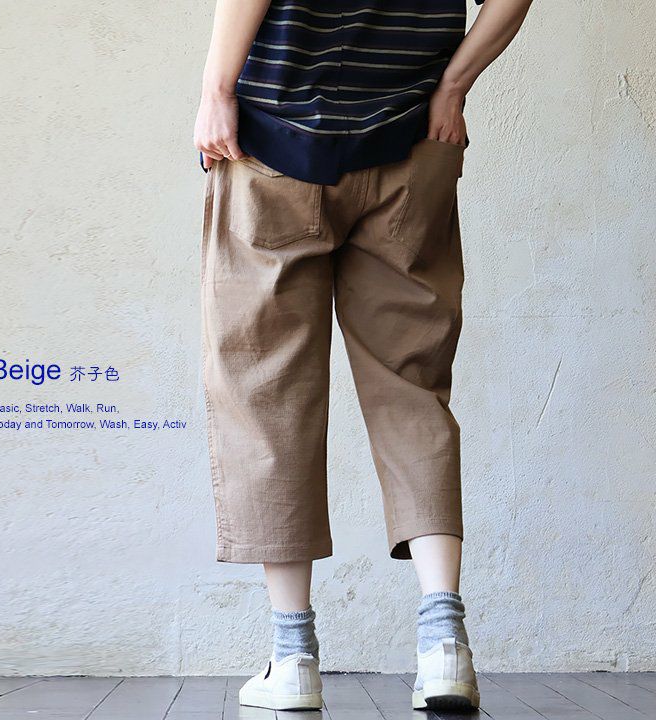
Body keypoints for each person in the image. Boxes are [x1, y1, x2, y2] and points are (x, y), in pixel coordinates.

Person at [194, 0, 533, 711]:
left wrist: (217, 90)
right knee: (412, 389)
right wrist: (453, 86)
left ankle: (293, 659)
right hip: (411, 143)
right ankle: (444, 646)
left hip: (274, 143)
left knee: (266, 393)